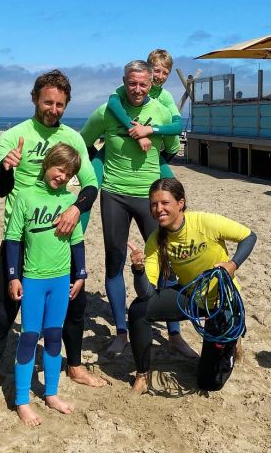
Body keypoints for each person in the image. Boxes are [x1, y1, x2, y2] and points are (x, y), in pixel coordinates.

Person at [0, 70, 103, 424]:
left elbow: (90, 186)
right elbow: (0, 188)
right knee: (3, 317)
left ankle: (70, 370)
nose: (53, 109)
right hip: (19, 239)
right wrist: (5, 167)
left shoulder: (73, 138)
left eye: (60, 104)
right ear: (35, 99)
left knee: (74, 312)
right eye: (48, 102)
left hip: (58, 239)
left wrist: (77, 207)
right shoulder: (16, 136)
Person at [80, 60, 193, 358]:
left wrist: (149, 134)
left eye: (143, 83)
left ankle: (174, 334)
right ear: (124, 81)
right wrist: (90, 173)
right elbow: (83, 144)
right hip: (115, 194)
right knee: (114, 262)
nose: (138, 89)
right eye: (132, 83)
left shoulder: (160, 110)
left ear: (150, 82)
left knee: (166, 263)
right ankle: (121, 332)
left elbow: (170, 148)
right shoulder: (106, 112)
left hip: (151, 198)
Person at [128, 177, 256, 394]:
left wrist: (232, 264)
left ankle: (234, 339)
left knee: (209, 382)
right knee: (139, 310)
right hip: (192, 298)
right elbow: (146, 293)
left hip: (223, 300)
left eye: (165, 203)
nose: (159, 209)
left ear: (181, 203)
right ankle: (142, 375)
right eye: (154, 204)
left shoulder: (205, 222)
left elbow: (249, 236)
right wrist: (138, 269)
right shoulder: (156, 240)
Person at [6, 143, 86, 425]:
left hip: (61, 279)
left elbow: (77, 242)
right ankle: (22, 400)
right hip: (33, 279)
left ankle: (51, 393)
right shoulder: (25, 197)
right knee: (29, 337)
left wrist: (82, 275)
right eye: (59, 169)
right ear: (47, 164)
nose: (62, 176)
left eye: (69, 173)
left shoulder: (69, 202)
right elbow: (13, 238)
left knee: (54, 336)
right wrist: (14, 276)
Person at [102, 49, 183, 179]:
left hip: (153, 149)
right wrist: (135, 131)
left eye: (165, 73)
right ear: (148, 69)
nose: (160, 77)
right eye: (157, 71)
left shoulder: (165, 97)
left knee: (171, 189)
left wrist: (149, 130)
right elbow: (112, 103)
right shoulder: (133, 87)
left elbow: (178, 127)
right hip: (121, 143)